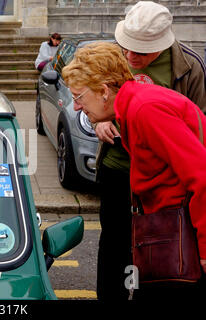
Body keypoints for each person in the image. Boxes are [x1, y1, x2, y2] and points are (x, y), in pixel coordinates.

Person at [62, 41, 206, 300]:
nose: (76, 107)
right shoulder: (133, 105)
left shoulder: (144, 109)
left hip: (178, 237)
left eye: (78, 96)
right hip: (167, 230)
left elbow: (202, 176)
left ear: (104, 91)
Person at [93, 1, 206, 301]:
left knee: (162, 254)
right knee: (115, 247)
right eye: (127, 47)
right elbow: (91, 100)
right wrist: (99, 126)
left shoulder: (190, 66)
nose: (130, 56)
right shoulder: (114, 57)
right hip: (119, 170)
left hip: (164, 186)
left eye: (140, 51)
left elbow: (198, 129)